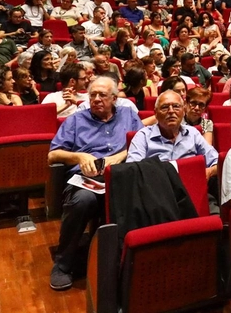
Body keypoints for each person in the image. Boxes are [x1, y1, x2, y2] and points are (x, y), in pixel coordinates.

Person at [47, 75, 144, 290]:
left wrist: (121, 155)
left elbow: (143, 140)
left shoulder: (128, 115)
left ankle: (129, 260)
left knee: (144, 195)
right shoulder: (75, 120)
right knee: (82, 201)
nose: (97, 99)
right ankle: (63, 264)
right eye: (93, 95)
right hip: (87, 177)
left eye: (102, 95)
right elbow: (52, 155)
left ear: (114, 98)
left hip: (122, 173)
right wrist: (79, 156)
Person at [127, 89, 218, 178]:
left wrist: (208, 172)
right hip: (157, 186)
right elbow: (131, 171)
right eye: (165, 107)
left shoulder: (193, 134)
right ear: (156, 113)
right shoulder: (143, 136)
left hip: (190, 185)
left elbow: (217, 161)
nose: (171, 111)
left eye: (176, 106)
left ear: (183, 111)